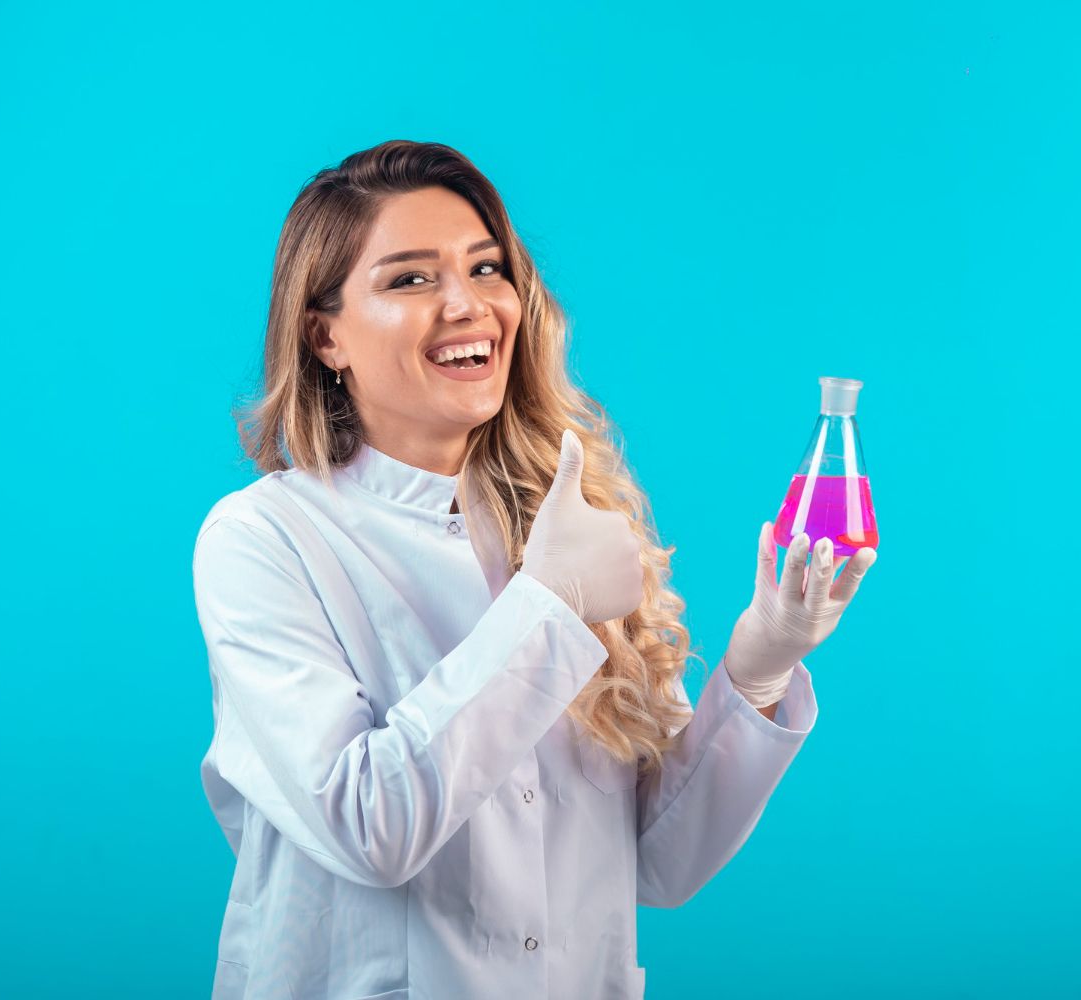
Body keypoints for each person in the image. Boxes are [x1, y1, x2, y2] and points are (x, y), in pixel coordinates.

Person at [190, 139, 878, 1000]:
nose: (467, 304)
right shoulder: (264, 538)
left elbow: (658, 866)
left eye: (486, 269)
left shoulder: (567, 518)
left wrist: (763, 664)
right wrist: (549, 605)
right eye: (409, 279)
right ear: (324, 334)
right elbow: (369, 825)